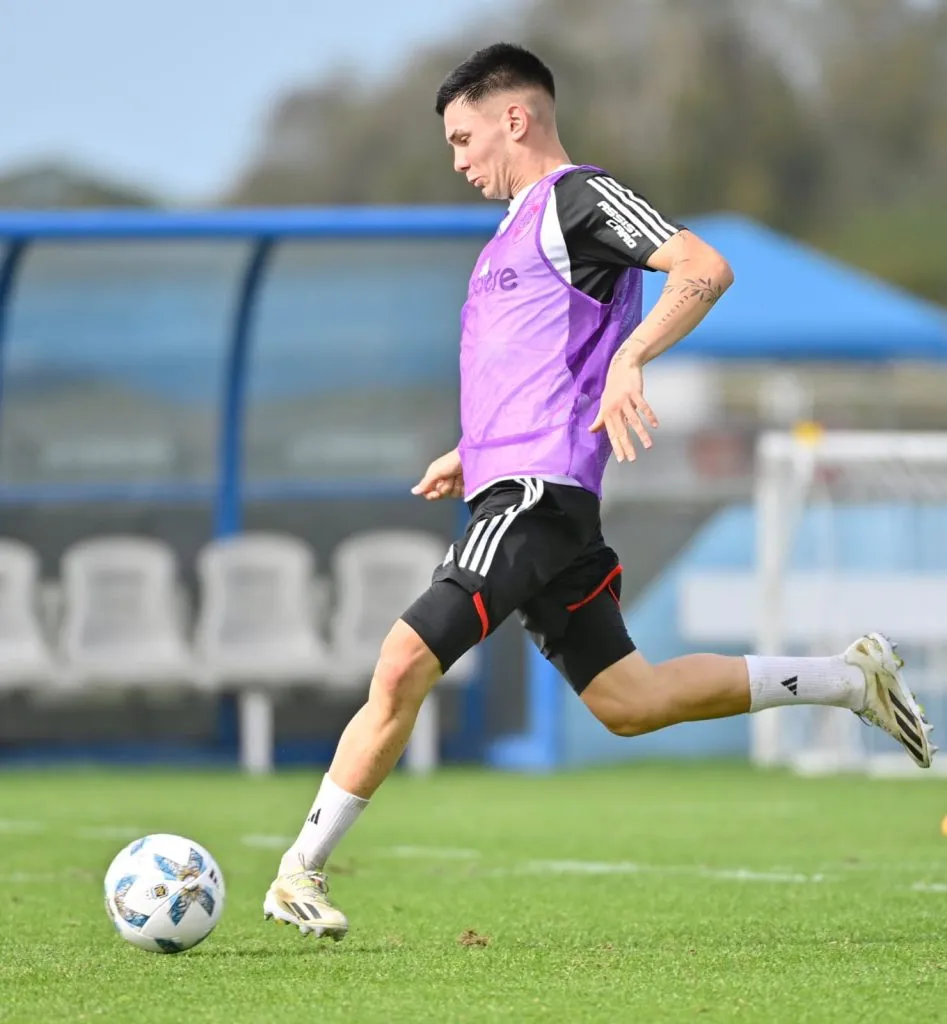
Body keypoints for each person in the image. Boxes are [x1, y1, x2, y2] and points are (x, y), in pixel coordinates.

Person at [263, 42, 935, 940]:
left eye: (463, 139)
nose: (457, 161)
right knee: (631, 702)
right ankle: (849, 679)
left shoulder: (574, 198)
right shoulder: (507, 234)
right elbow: (533, 367)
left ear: (516, 118)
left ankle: (296, 869)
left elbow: (702, 265)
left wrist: (632, 355)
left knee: (400, 663)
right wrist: (470, 448)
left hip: (536, 499)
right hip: (523, 491)